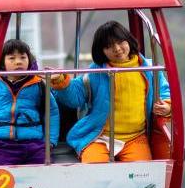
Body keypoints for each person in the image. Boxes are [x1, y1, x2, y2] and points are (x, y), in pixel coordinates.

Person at [50, 21, 171, 163]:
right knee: (95, 165)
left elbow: (163, 91)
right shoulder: (96, 72)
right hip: (99, 136)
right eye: (109, 46)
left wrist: (167, 105)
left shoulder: (149, 69)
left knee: (142, 170)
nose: (117, 49)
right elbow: (75, 95)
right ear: (101, 51)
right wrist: (60, 80)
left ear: (128, 40)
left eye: (120, 42)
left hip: (135, 137)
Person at [0, 39, 60, 166]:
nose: (18, 62)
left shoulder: (38, 84)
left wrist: (50, 141)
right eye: (12, 58)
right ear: (2, 62)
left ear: (29, 60)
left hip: (33, 142)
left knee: (45, 166)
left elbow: (51, 112)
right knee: (0, 170)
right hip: (2, 143)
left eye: (23, 57)